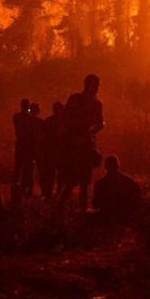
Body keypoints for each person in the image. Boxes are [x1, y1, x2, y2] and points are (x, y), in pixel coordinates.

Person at [58, 74, 105, 211]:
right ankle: (60, 207)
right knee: (72, 179)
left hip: (85, 145)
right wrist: (77, 129)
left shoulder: (97, 104)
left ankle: (81, 211)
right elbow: (65, 119)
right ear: (87, 84)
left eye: (98, 85)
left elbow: (100, 124)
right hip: (73, 144)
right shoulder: (75, 99)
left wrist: (88, 133)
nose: (97, 88)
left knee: (84, 181)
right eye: (95, 85)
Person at [38, 102, 65, 199]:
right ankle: (51, 193)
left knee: (59, 173)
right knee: (51, 173)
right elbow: (43, 137)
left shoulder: (64, 121)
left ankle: (57, 192)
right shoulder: (51, 121)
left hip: (60, 151)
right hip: (52, 151)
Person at [12, 98, 33, 195]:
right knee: (26, 166)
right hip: (27, 144)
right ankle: (23, 186)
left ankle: (15, 185)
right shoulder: (28, 117)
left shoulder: (16, 116)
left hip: (20, 143)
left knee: (19, 165)